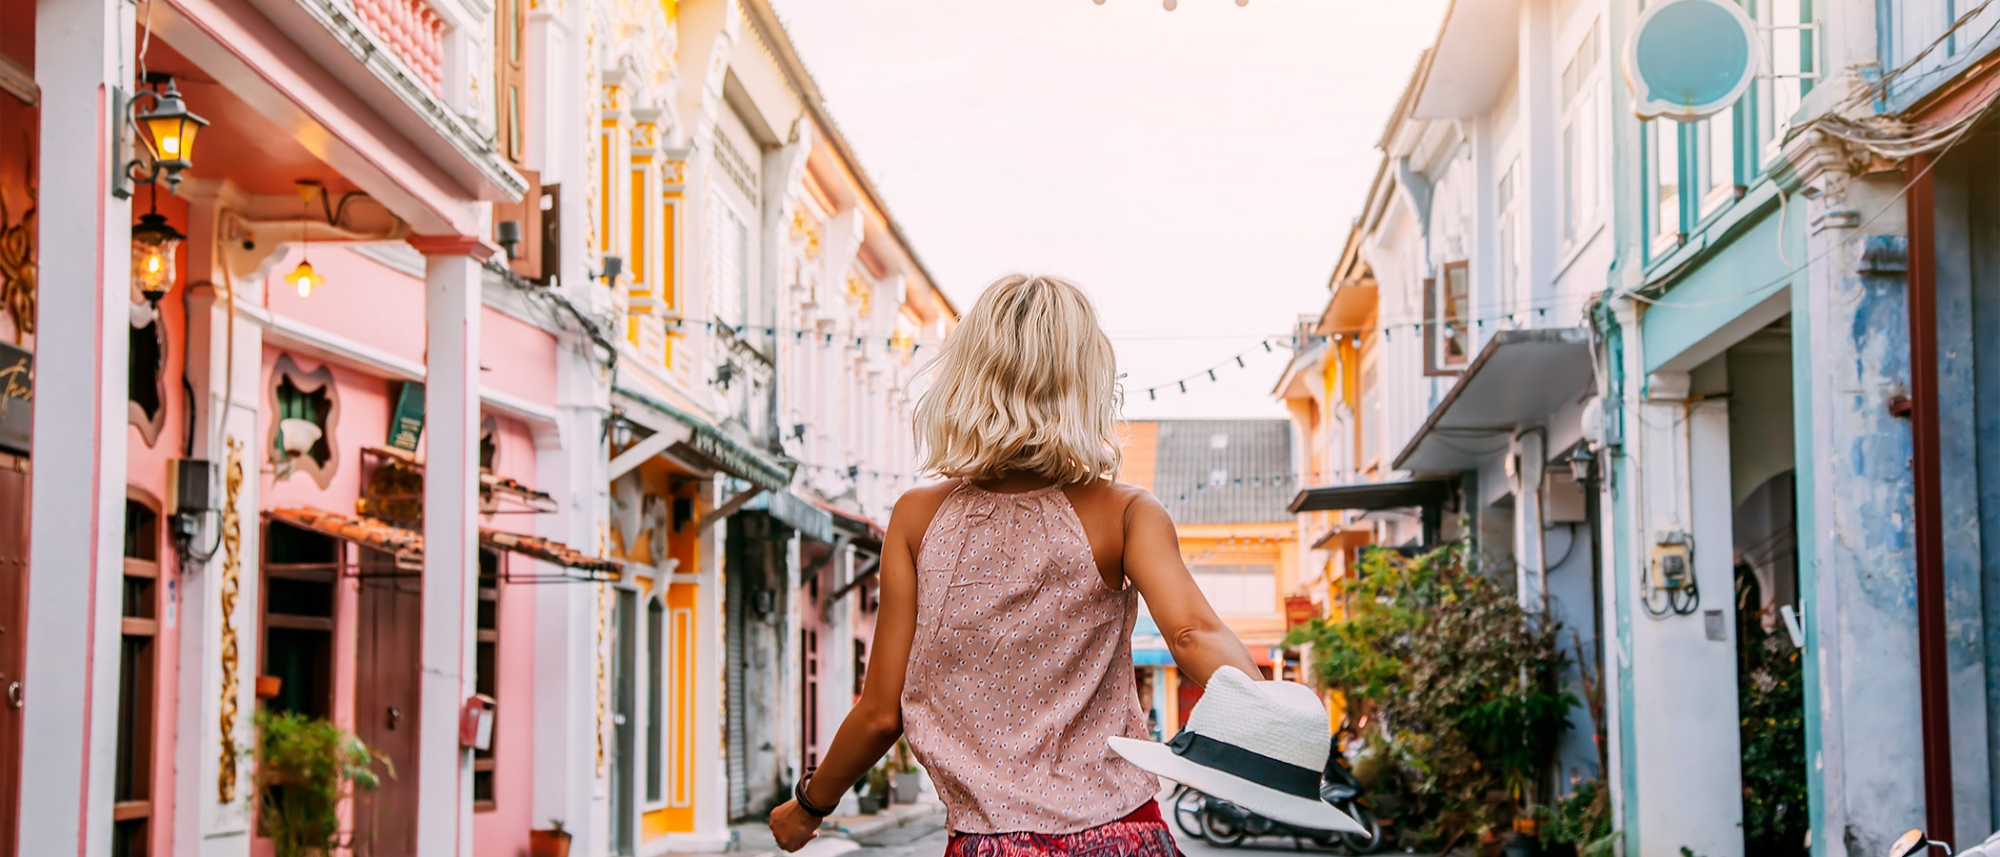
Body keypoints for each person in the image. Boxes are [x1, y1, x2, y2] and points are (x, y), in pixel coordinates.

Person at [768, 274, 1268, 856]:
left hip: (990, 843)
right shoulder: (1126, 513)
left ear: (968, 379)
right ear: (1087, 383)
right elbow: (1191, 633)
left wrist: (808, 808)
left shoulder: (917, 519)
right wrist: (1272, 722)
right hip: (1121, 832)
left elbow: (881, 714)